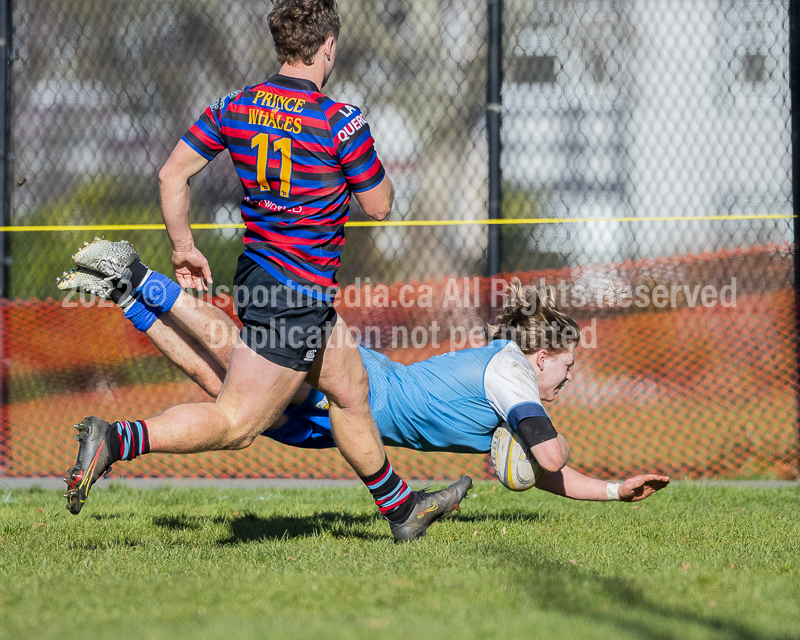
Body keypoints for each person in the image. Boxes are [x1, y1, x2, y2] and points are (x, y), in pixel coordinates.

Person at [59, 0, 470, 542]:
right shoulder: (339, 120)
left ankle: (402, 511)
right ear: (328, 46)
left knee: (350, 389)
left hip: (264, 279)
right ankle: (116, 439)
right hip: (297, 293)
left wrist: (184, 248)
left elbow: (171, 175)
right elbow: (379, 205)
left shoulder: (234, 106)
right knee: (238, 423)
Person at [60, 256, 670, 504]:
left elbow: (546, 470)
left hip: (345, 420)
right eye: (568, 365)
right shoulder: (514, 375)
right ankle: (140, 278)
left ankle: (126, 295)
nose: (568, 377)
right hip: (356, 393)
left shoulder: (513, 374)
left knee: (220, 383)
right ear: (543, 355)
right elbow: (550, 453)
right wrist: (529, 444)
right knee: (237, 363)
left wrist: (617, 492)